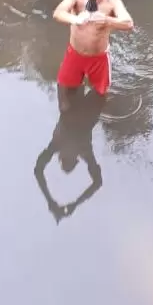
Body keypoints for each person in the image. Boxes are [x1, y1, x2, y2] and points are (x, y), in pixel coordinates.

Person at [52, 0, 134, 99]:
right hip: (74, 54)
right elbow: (58, 13)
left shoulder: (112, 1)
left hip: (99, 58)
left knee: (100, 94)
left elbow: (129, 23)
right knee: (65, 91)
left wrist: (106, 19)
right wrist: (75, 19)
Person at [34, 87, 104, 223]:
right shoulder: (83, 150)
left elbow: (38, 169)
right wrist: (75, 203)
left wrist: (51, 200)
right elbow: (97, 182)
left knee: (71, 99)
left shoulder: (59, 145)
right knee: (101, 89)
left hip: (74, 105)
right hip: (85, 108)